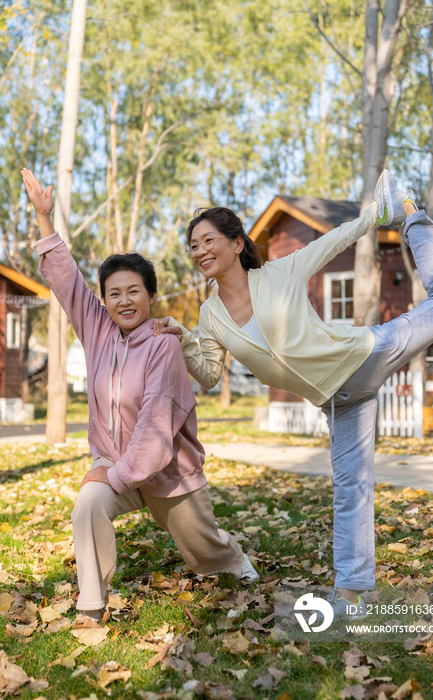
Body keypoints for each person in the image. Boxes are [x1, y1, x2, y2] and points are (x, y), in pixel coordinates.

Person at [152, 170, 433, 619]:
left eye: (207, 240)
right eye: (193, 245)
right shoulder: (210, 315)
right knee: (350, 489)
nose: (199, 251)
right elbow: (209, 376)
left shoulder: (279, 273)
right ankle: (354, 598)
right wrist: (182, 335)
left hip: (367, 353)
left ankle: (410, 210)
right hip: (340, 401)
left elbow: (335, 240)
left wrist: (383, 213)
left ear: (236, 242)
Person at [21, 168, 258, 621]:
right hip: (115, 465)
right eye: (114, 294)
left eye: (134, 291)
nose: (124, 301)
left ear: (150, 296)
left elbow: (154, 424)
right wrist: (44, 218)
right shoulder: (97, 330)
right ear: (105, 300)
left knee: (209, 556)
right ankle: (91, 605)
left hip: (167, 472)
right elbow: (67, 281)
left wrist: (115, 475)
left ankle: (234, 560)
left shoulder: (164, 344)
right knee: (87, 506)